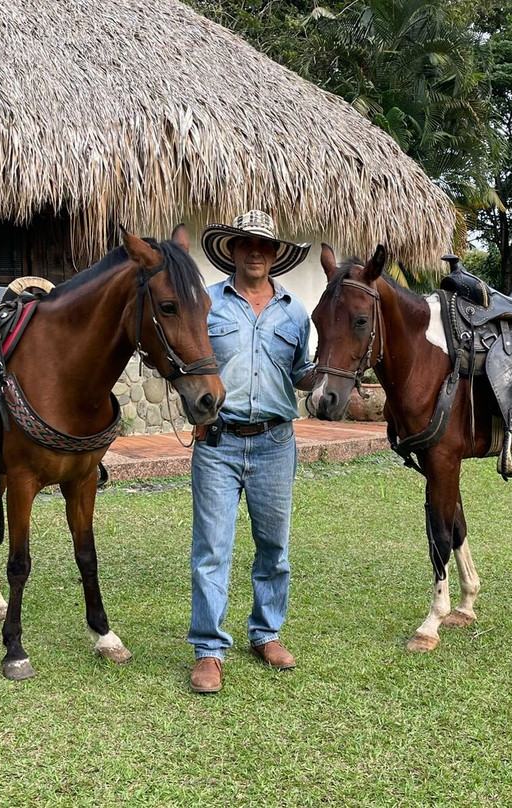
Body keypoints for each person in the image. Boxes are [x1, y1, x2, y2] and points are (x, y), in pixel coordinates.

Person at [188, 210, 315, 694]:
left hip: (276, 442)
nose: (256, 251)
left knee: (274, 547)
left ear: (276, 254)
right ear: (233, 251)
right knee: (212, 549)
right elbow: (189, 362)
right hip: (217, 442)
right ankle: (208, 651)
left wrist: (332, 377)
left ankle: (266, 633)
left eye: (264, 245)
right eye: (246, 243)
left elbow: (301, 370)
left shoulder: (295, 312)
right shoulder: (207, 305)